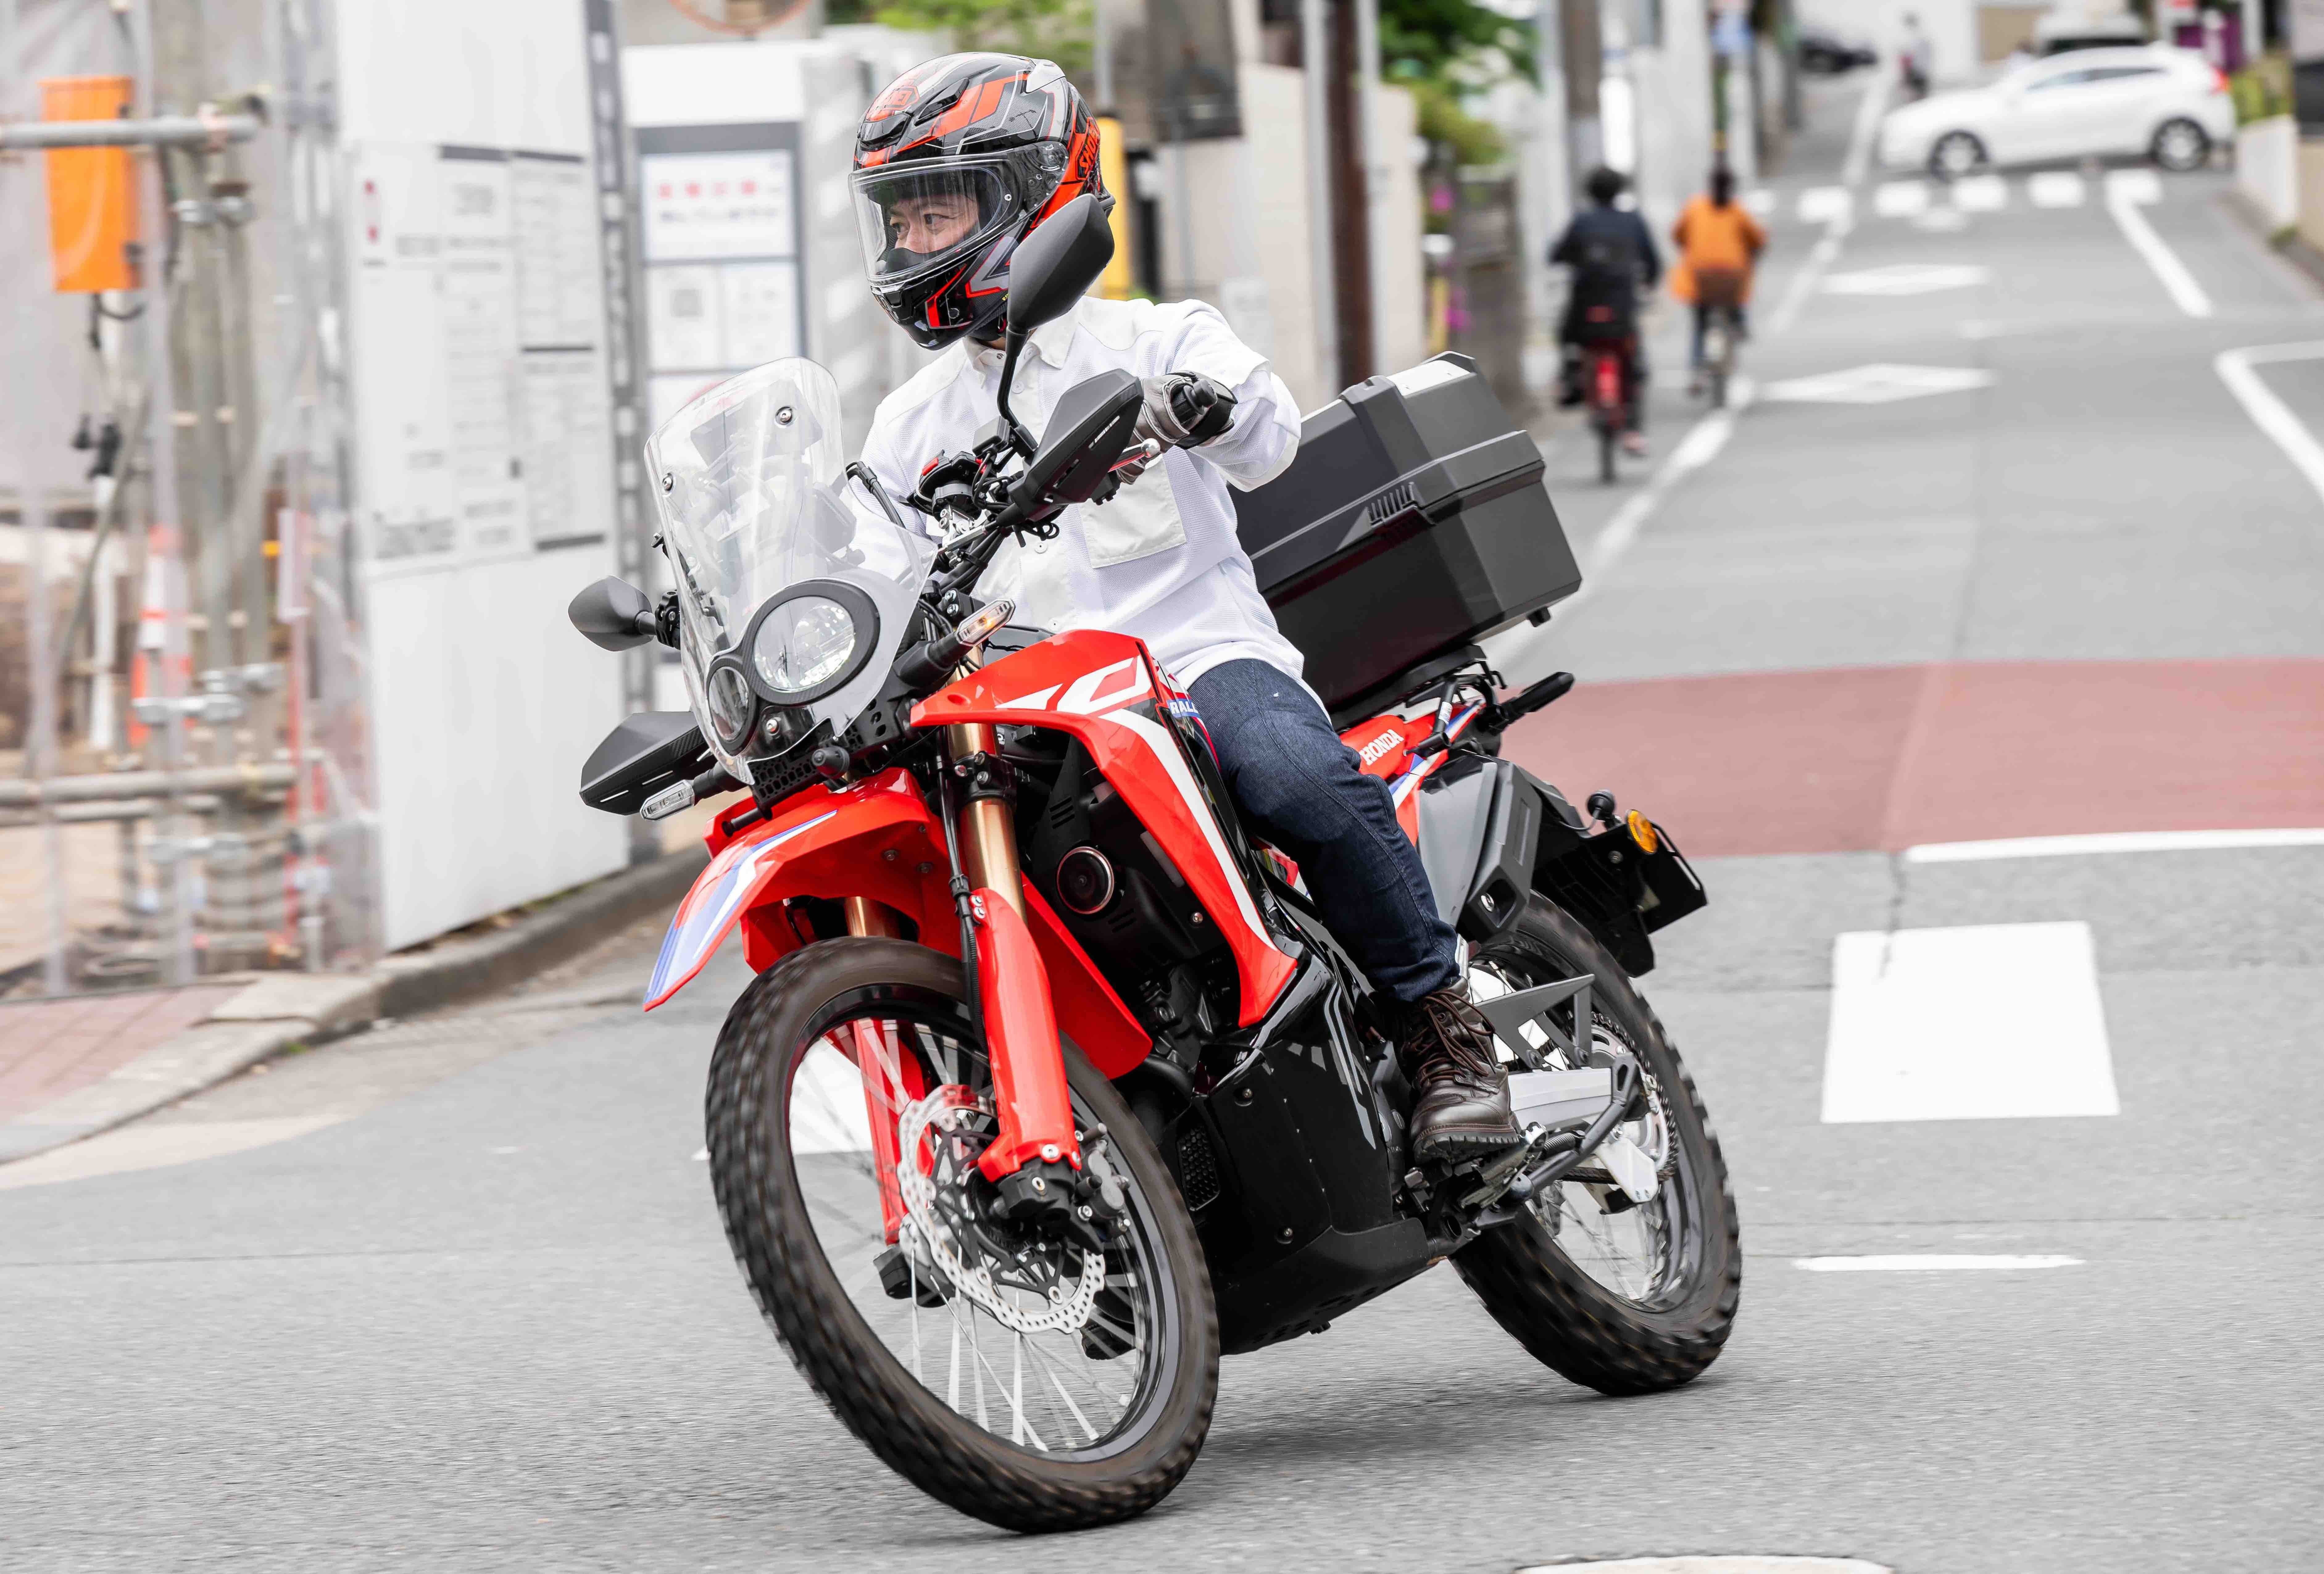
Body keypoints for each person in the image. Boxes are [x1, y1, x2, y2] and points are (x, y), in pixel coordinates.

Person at [852, 53, 1520, 1161]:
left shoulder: (1154, 338)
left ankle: (1443, 1030)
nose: (920, 240)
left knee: (1292, 773)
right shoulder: (905, 425)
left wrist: (1197, 406)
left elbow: (1269, 442)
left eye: (943, 210)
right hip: (1029, 713)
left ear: (1035, 196)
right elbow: (878, 570)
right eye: (905, 218)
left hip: (1191, 664)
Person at [1551, 165, 1661, 458]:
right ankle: (1633, 430)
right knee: (1633, 363)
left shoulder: (1581, 221)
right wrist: (1649, 284)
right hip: (1622, 309)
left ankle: (1568, 381)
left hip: (1584, 310)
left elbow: (1556, 255)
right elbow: (1652, 262)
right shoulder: (1633, 220)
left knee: (1566, 337)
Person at [1670, 166, 1767, 394]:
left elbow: (1678, 236)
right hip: (1731, 280)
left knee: (1700, 325)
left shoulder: (1695, 208)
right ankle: (1739, 322)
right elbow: (1758, 241)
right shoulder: (1737, 211)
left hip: (1700, 280)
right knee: (1736, 292)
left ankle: (1697, 370)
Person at [1899, 12, 1931, 98]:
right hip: (1918, 74)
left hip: (1917, 74)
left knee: (1917, 98)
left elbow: (1907, 58)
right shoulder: (1919, 39)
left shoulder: (1914, 40)